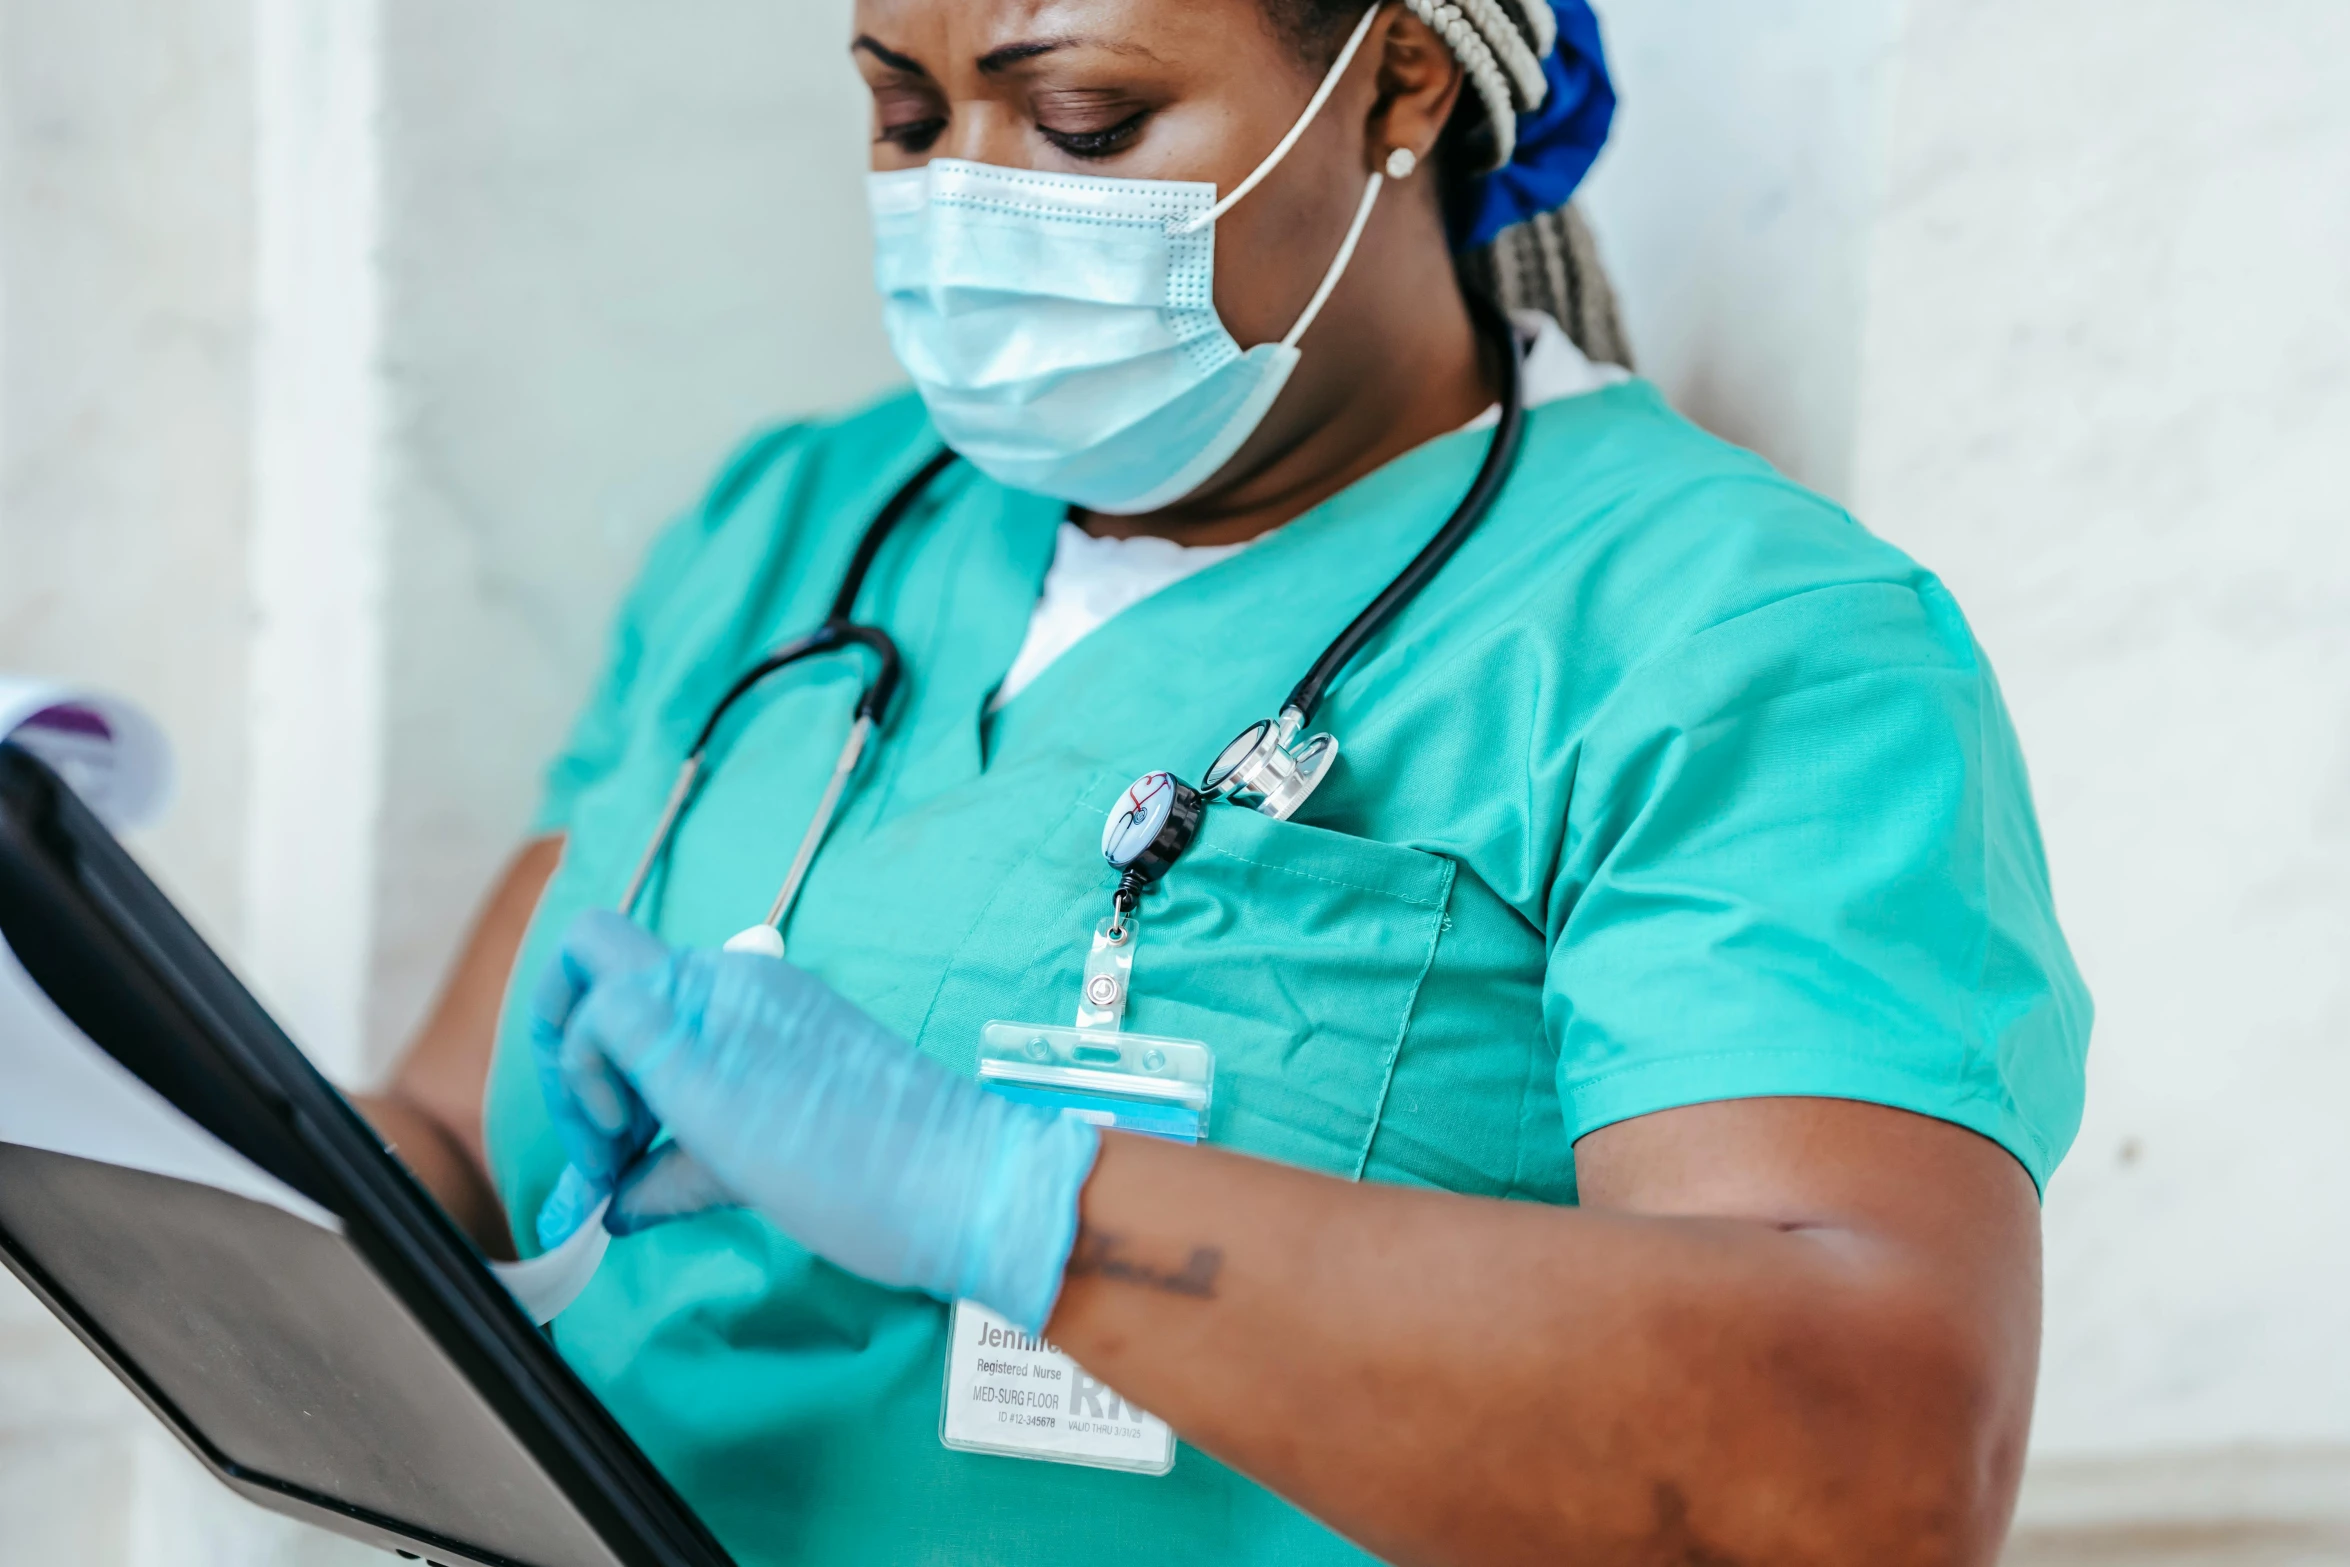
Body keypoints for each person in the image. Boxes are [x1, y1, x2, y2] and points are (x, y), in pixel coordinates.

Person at [359, 1, 2092, 1563]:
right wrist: (139, 1083)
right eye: (903, 115)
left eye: (1085, 122)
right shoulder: (804, 524)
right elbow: (444, 1134)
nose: (965, 197)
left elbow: (1872, 1470)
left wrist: (1009, 1197)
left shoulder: (1731, 640)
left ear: (1396, 82)